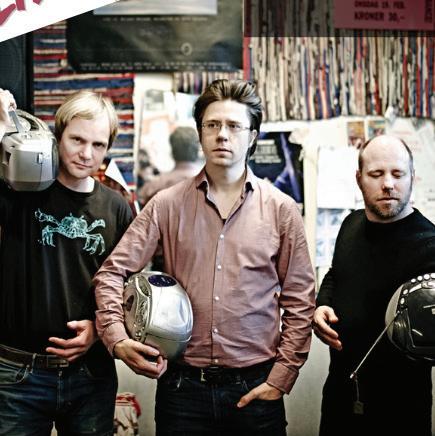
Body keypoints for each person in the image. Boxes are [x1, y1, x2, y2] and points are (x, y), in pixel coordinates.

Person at [93, 79, 315, 435]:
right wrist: (117, 339)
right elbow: (111, 273)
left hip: (255, 390)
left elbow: (300, 300)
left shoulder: (281, 210)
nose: (222, 135)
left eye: (234, 126)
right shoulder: (167, 205)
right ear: (200, 134)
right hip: (183, 392)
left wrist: (282, 377)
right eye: (212, 125)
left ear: (252, 137)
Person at [0, 89, 133, 435]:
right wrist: (2, 126)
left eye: (98, 145)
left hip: (91, 374)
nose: (86, 153)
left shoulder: (117, 208)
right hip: (19, 374)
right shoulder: (20, 193)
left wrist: (100, 329)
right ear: (58, 135)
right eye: (77, 140)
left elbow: (128, 290)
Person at [313, 135, 435, 436]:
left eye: (398, 174)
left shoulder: (430, 245)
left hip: (401, 411)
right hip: (340, 397)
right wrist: (322, 304)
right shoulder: (350, 224)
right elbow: (336, 274)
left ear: (412, 177)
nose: (388, 184)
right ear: (359, 179)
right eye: (376, 174)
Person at [138, 125, 202, 206]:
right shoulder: (211, 185)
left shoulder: (156, 185)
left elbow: (139, 199)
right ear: (197, 150)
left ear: (172, 151)